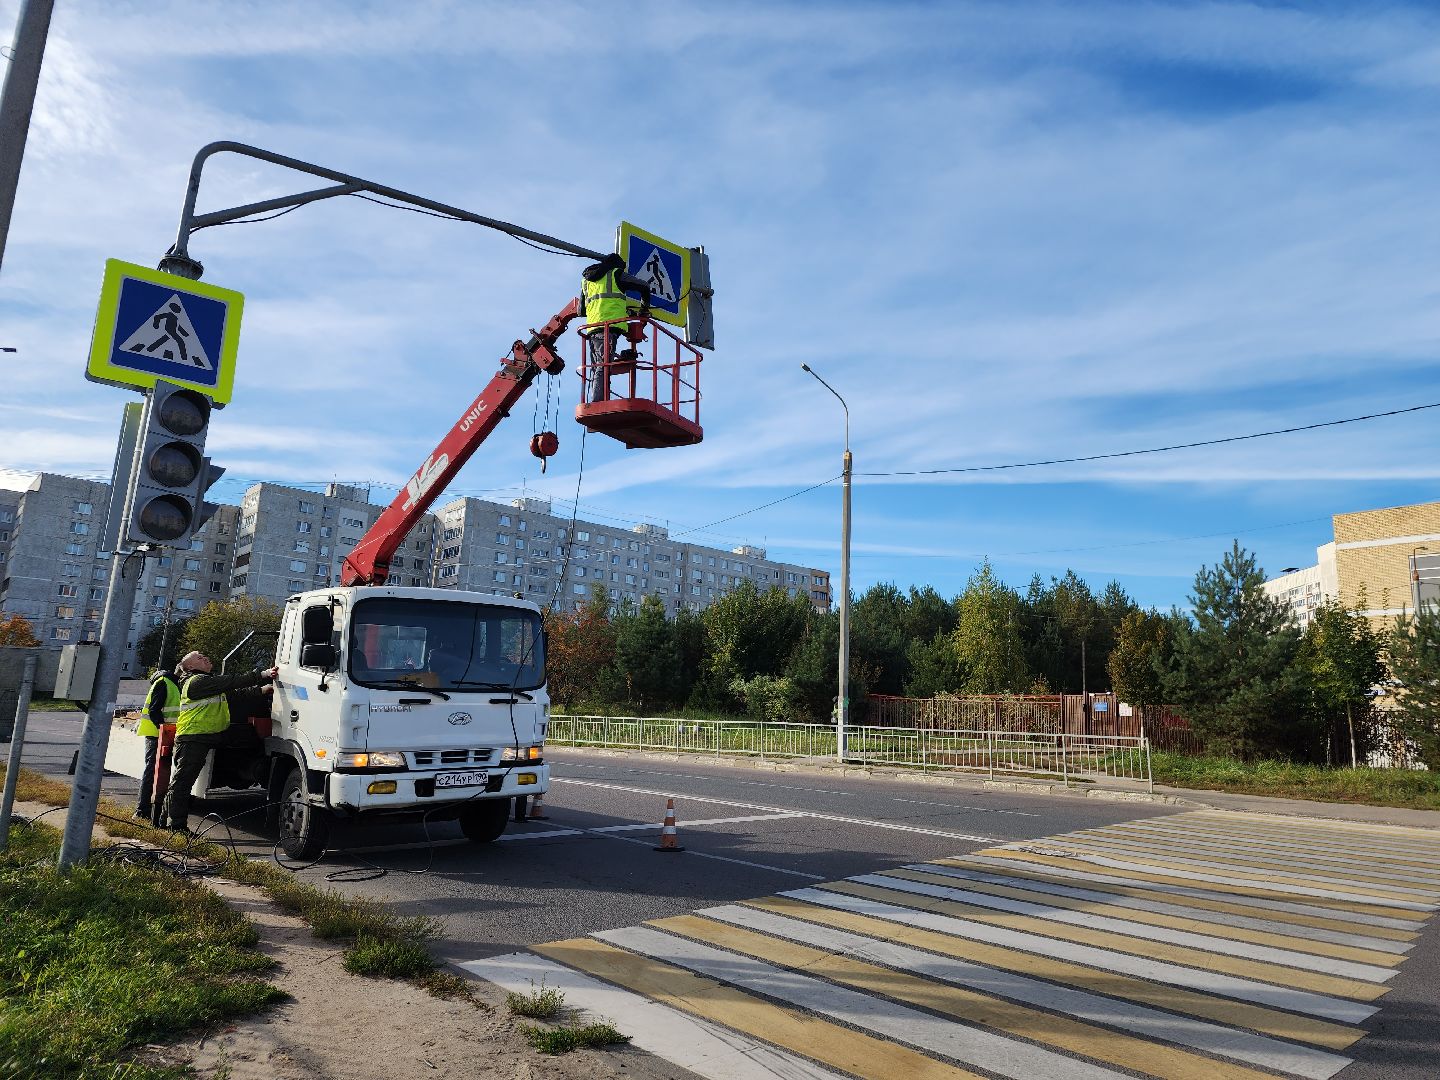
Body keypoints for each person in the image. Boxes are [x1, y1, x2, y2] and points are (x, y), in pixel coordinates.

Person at [161, 651, 276, 834]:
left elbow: (233, 695)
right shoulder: (196, 681)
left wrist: (262, 690)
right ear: (190, 667)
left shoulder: (207, 683)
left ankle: (165, 822)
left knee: (181, 783)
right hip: (194, 737)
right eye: (199, 658)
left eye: (205, 656)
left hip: (204, 736)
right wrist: (262, 674)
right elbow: (231, 682)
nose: (205, 658)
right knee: (182, 784)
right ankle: (176, 826)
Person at [580, 254, 644, 403]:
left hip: (592, 328)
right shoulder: (616, 273)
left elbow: (581, 311)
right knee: (603, 365)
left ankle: (598, 399)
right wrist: (643, 309)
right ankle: (598, 403)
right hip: (609, 327)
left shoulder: (586, 281)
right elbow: (645, 287)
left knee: (597, 366)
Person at [135, 664, 181, 820]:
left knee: (159, 772)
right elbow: (154, 710)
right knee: (152, 771)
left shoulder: (173, 684)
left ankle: (151, 809)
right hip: (156, 735)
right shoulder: (164, 682)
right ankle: (142, 810)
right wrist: (164, 730)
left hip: (165, 733)